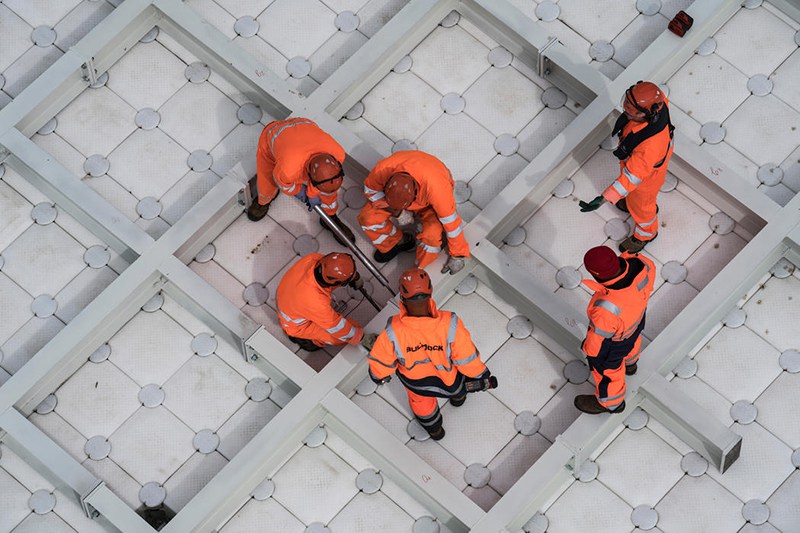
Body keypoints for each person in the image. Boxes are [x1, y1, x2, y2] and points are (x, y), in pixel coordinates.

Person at [366, 268, 495, 440]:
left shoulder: (393, 331)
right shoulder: (450, 323)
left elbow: (381, 363)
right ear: (430, 292)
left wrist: (377, 377)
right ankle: (458, 400)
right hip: (449, 381)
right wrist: (481, 376)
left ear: (402, 298)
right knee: (459, 388)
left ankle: (435, 431)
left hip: (416, 385)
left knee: (422, 406)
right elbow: (466, 359)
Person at [579, 81, 674, 253]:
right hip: (640, 163)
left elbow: (631, 177)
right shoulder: (657, 102)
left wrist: (603, 198)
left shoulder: (649, 147)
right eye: (626, 103)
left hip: (645, 181)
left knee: (643, 208)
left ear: (647, 113)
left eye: (632, 109)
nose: (626, 109)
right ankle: (630, 203)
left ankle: (645, 234)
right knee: (634, 199)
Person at [357, 150, 469, 274]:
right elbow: (371, 190)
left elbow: (452, 224)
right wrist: (397, 212)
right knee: (367, 218)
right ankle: (397, 242)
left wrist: (458, 255)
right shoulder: (383, 169)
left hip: (428, 203)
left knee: (431, 236)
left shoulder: (438, 191)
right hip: (394, 201)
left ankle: (419, 269)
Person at [574, 245, 655, 414]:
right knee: (633, 342)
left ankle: (611, 403)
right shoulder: (642, 264)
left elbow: (598, 339)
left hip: (614, 343)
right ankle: (631, 364)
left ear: (595, 275)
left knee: (608, 372)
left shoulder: (605, 308)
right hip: (637, 320)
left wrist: (590, 352)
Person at [248, 118, 355, 244]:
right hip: (272, 135)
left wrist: (313, 194)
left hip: (303, 125)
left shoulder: (338, 153)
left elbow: (324, 183)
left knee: (328, 192)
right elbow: (284, 184)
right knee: (267, 181)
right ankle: (263, 202)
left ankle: (330, 218)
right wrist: (304, 194)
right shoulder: (289, 170)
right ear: (308, 174)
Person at [275, 252, 364, 351]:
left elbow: (332, 271)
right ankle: (309, 341)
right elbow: (337, 328)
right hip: (296, 326)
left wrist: (353, 277)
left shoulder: (313, 258)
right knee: (347, 333)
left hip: (289, 299)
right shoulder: (316, 302)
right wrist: (362, 338)